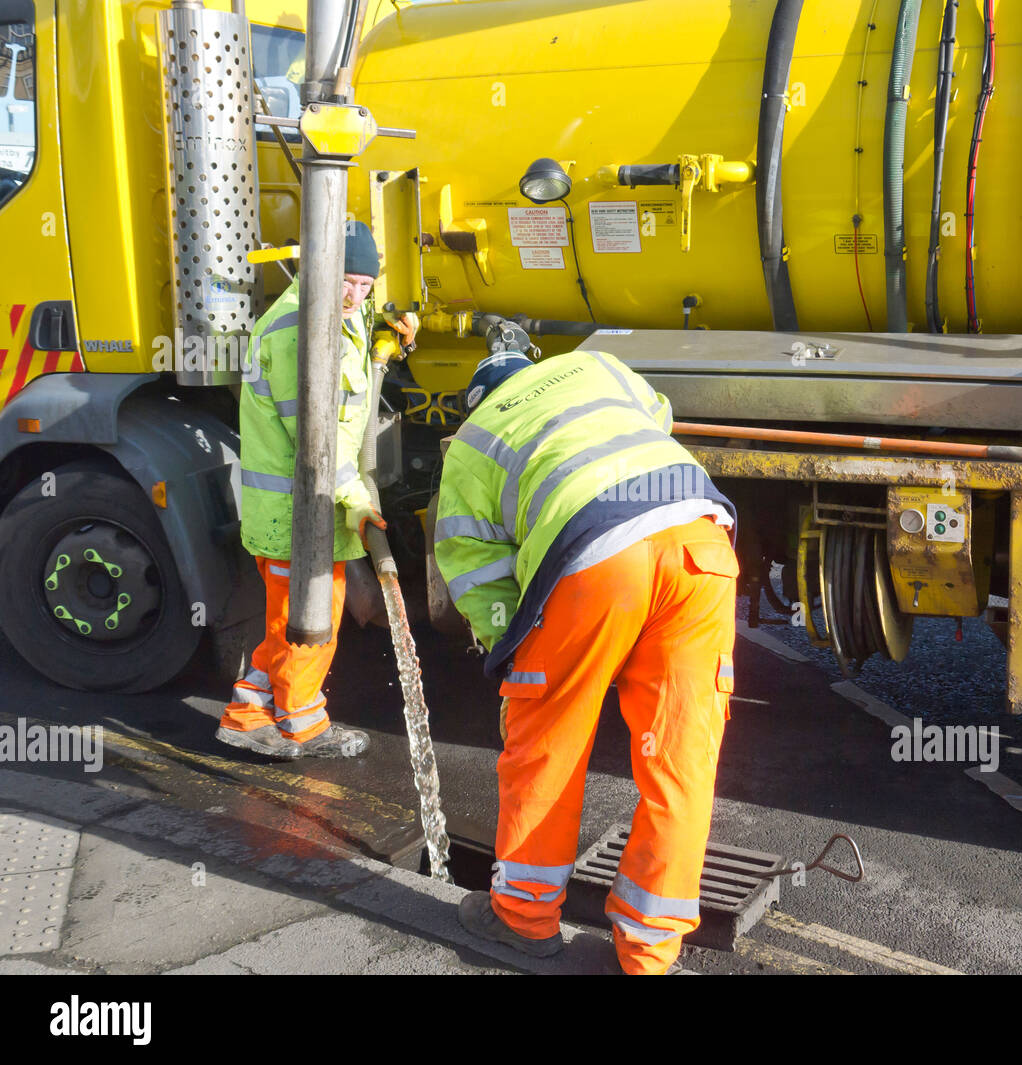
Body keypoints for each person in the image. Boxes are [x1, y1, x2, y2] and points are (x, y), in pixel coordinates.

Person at [435, 344, 739, 975]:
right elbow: (657, 420)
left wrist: (513, 660)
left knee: (549, 738)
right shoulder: (597, 366)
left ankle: (522, 917)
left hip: (596, 552)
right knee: (682, 755)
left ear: (480, 398)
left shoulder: (472, 440)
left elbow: (477, 573)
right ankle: (651, 951)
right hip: (700, 539)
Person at [216, 222, 391, 760]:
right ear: (320, 271)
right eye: (347, 282)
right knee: (309, 624)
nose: (354, 296)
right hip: (299, 513)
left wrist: (387, 328)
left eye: (366, 286)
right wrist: (357, 500)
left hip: (301, 509)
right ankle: (302, 726)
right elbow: (315, 441)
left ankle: (247, 714)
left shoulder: (327, 311)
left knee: (286, 620)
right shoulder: (300, 335)